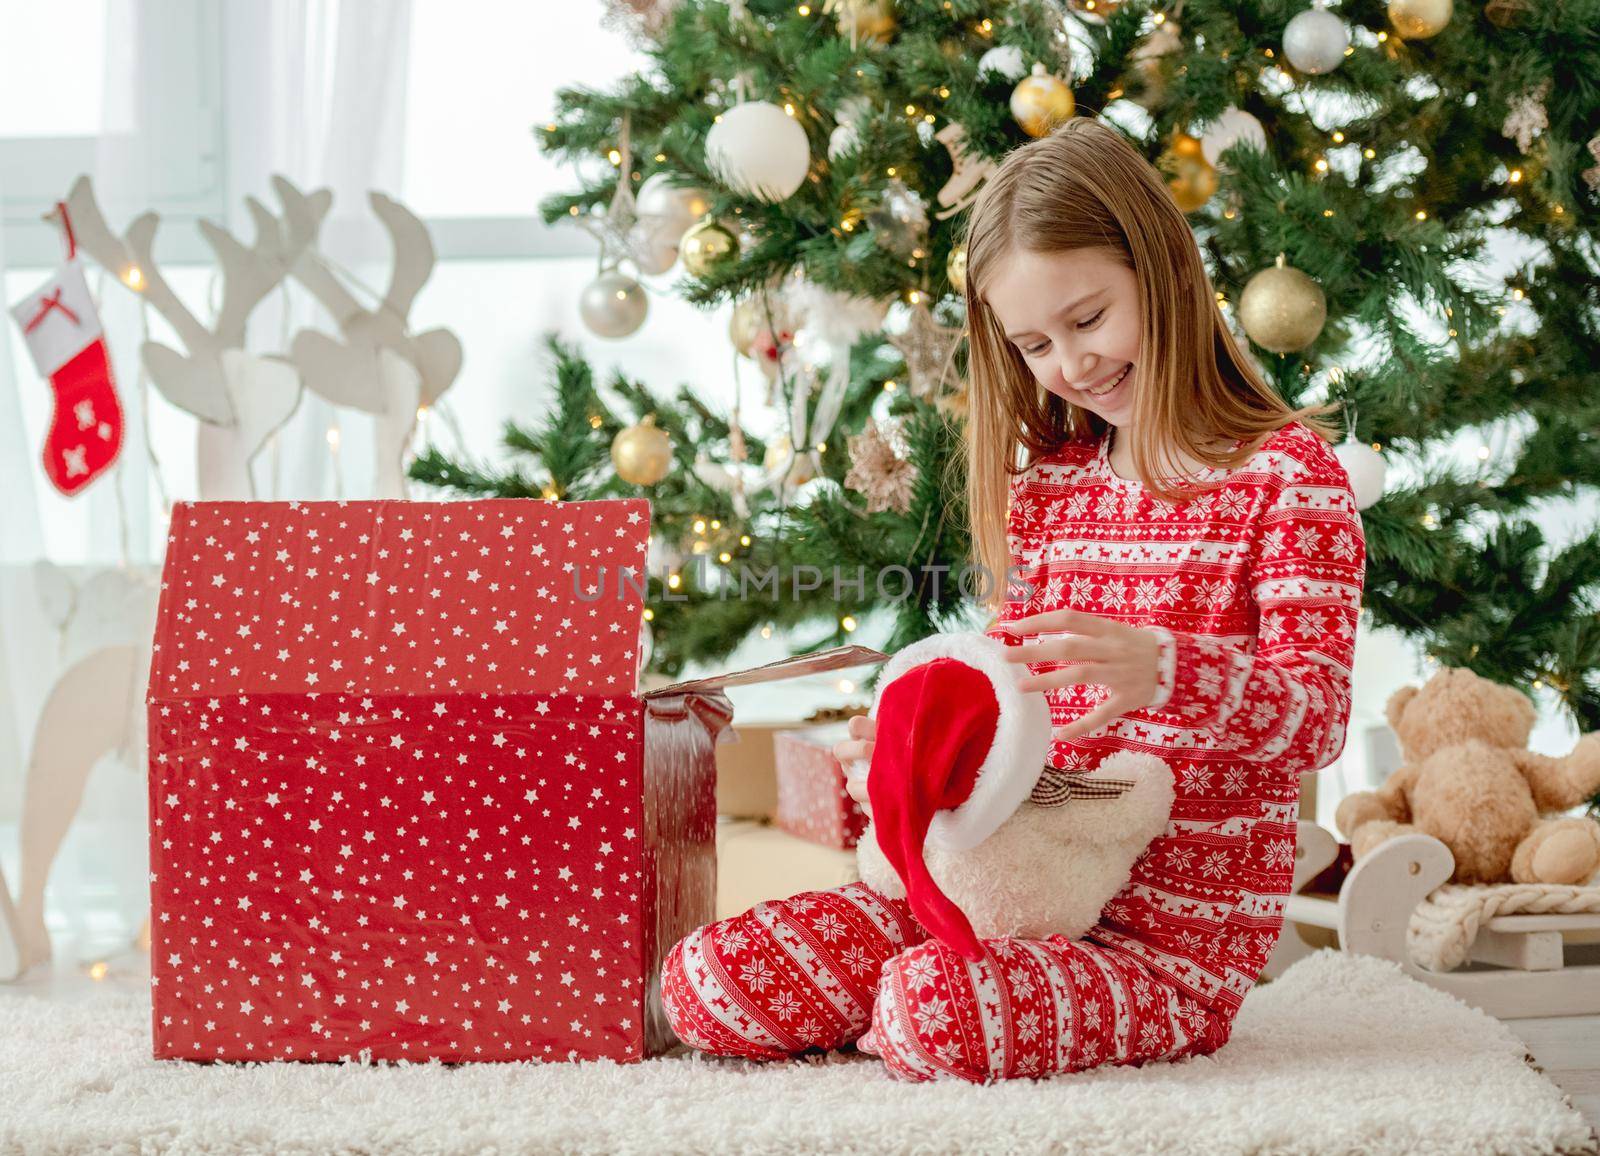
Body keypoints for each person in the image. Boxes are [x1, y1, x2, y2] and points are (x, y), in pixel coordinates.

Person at [659, 118, 1367, 1084]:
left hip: (1163, 948)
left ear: (1160, 271)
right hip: (1003, 884)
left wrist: (1168, 670)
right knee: (709, 981)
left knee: (927, 1011)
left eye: (1088, 320)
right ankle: (940, 981)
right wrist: (916, 754)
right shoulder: (1052, 488)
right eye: (1034, 343)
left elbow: (1317, 721)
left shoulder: (1290, 480)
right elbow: (1010, 716)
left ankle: (942, 995)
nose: (1070, 366)